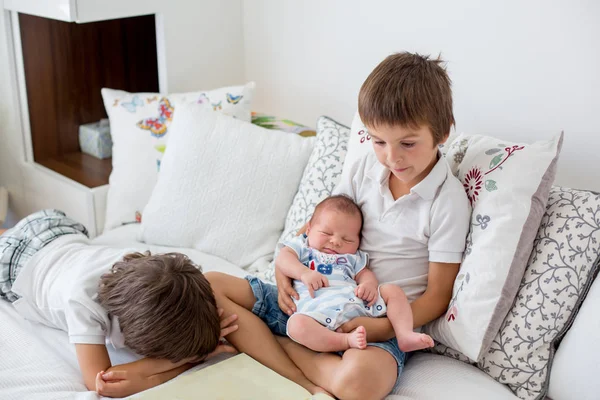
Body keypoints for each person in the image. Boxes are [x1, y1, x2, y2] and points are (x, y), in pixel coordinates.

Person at [206, 51, 471, 399]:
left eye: (407, 143)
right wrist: (287, 272)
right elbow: (319, 224)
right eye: (378, 141)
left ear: (443, 132)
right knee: (209, 285)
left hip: (374, 318)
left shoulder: (447, 201)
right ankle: (302, 373)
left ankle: (265, 347)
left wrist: (379, 328)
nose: (392, 158)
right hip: (314, 296)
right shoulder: (363, 168)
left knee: (359, 383)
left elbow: (437, 296)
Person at [0, 209, 239, 398]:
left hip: (56, 230)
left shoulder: (143, 267)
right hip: (15, 262)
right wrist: (188, 360)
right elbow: (102, 381)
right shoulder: (81, 302)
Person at [279, 194, 434, 353]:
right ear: (309, 228)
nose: (336, 242)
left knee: (392, 291)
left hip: (356, 307)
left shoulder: (352, 258)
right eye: (326, 233)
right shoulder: (304, 247)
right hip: (316, 314)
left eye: (347, 240)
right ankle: (344, 341)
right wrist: (303, 273)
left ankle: (404, 334)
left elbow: (364, 274)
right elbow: (283, 258)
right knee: (296, 325)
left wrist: (368, 285)